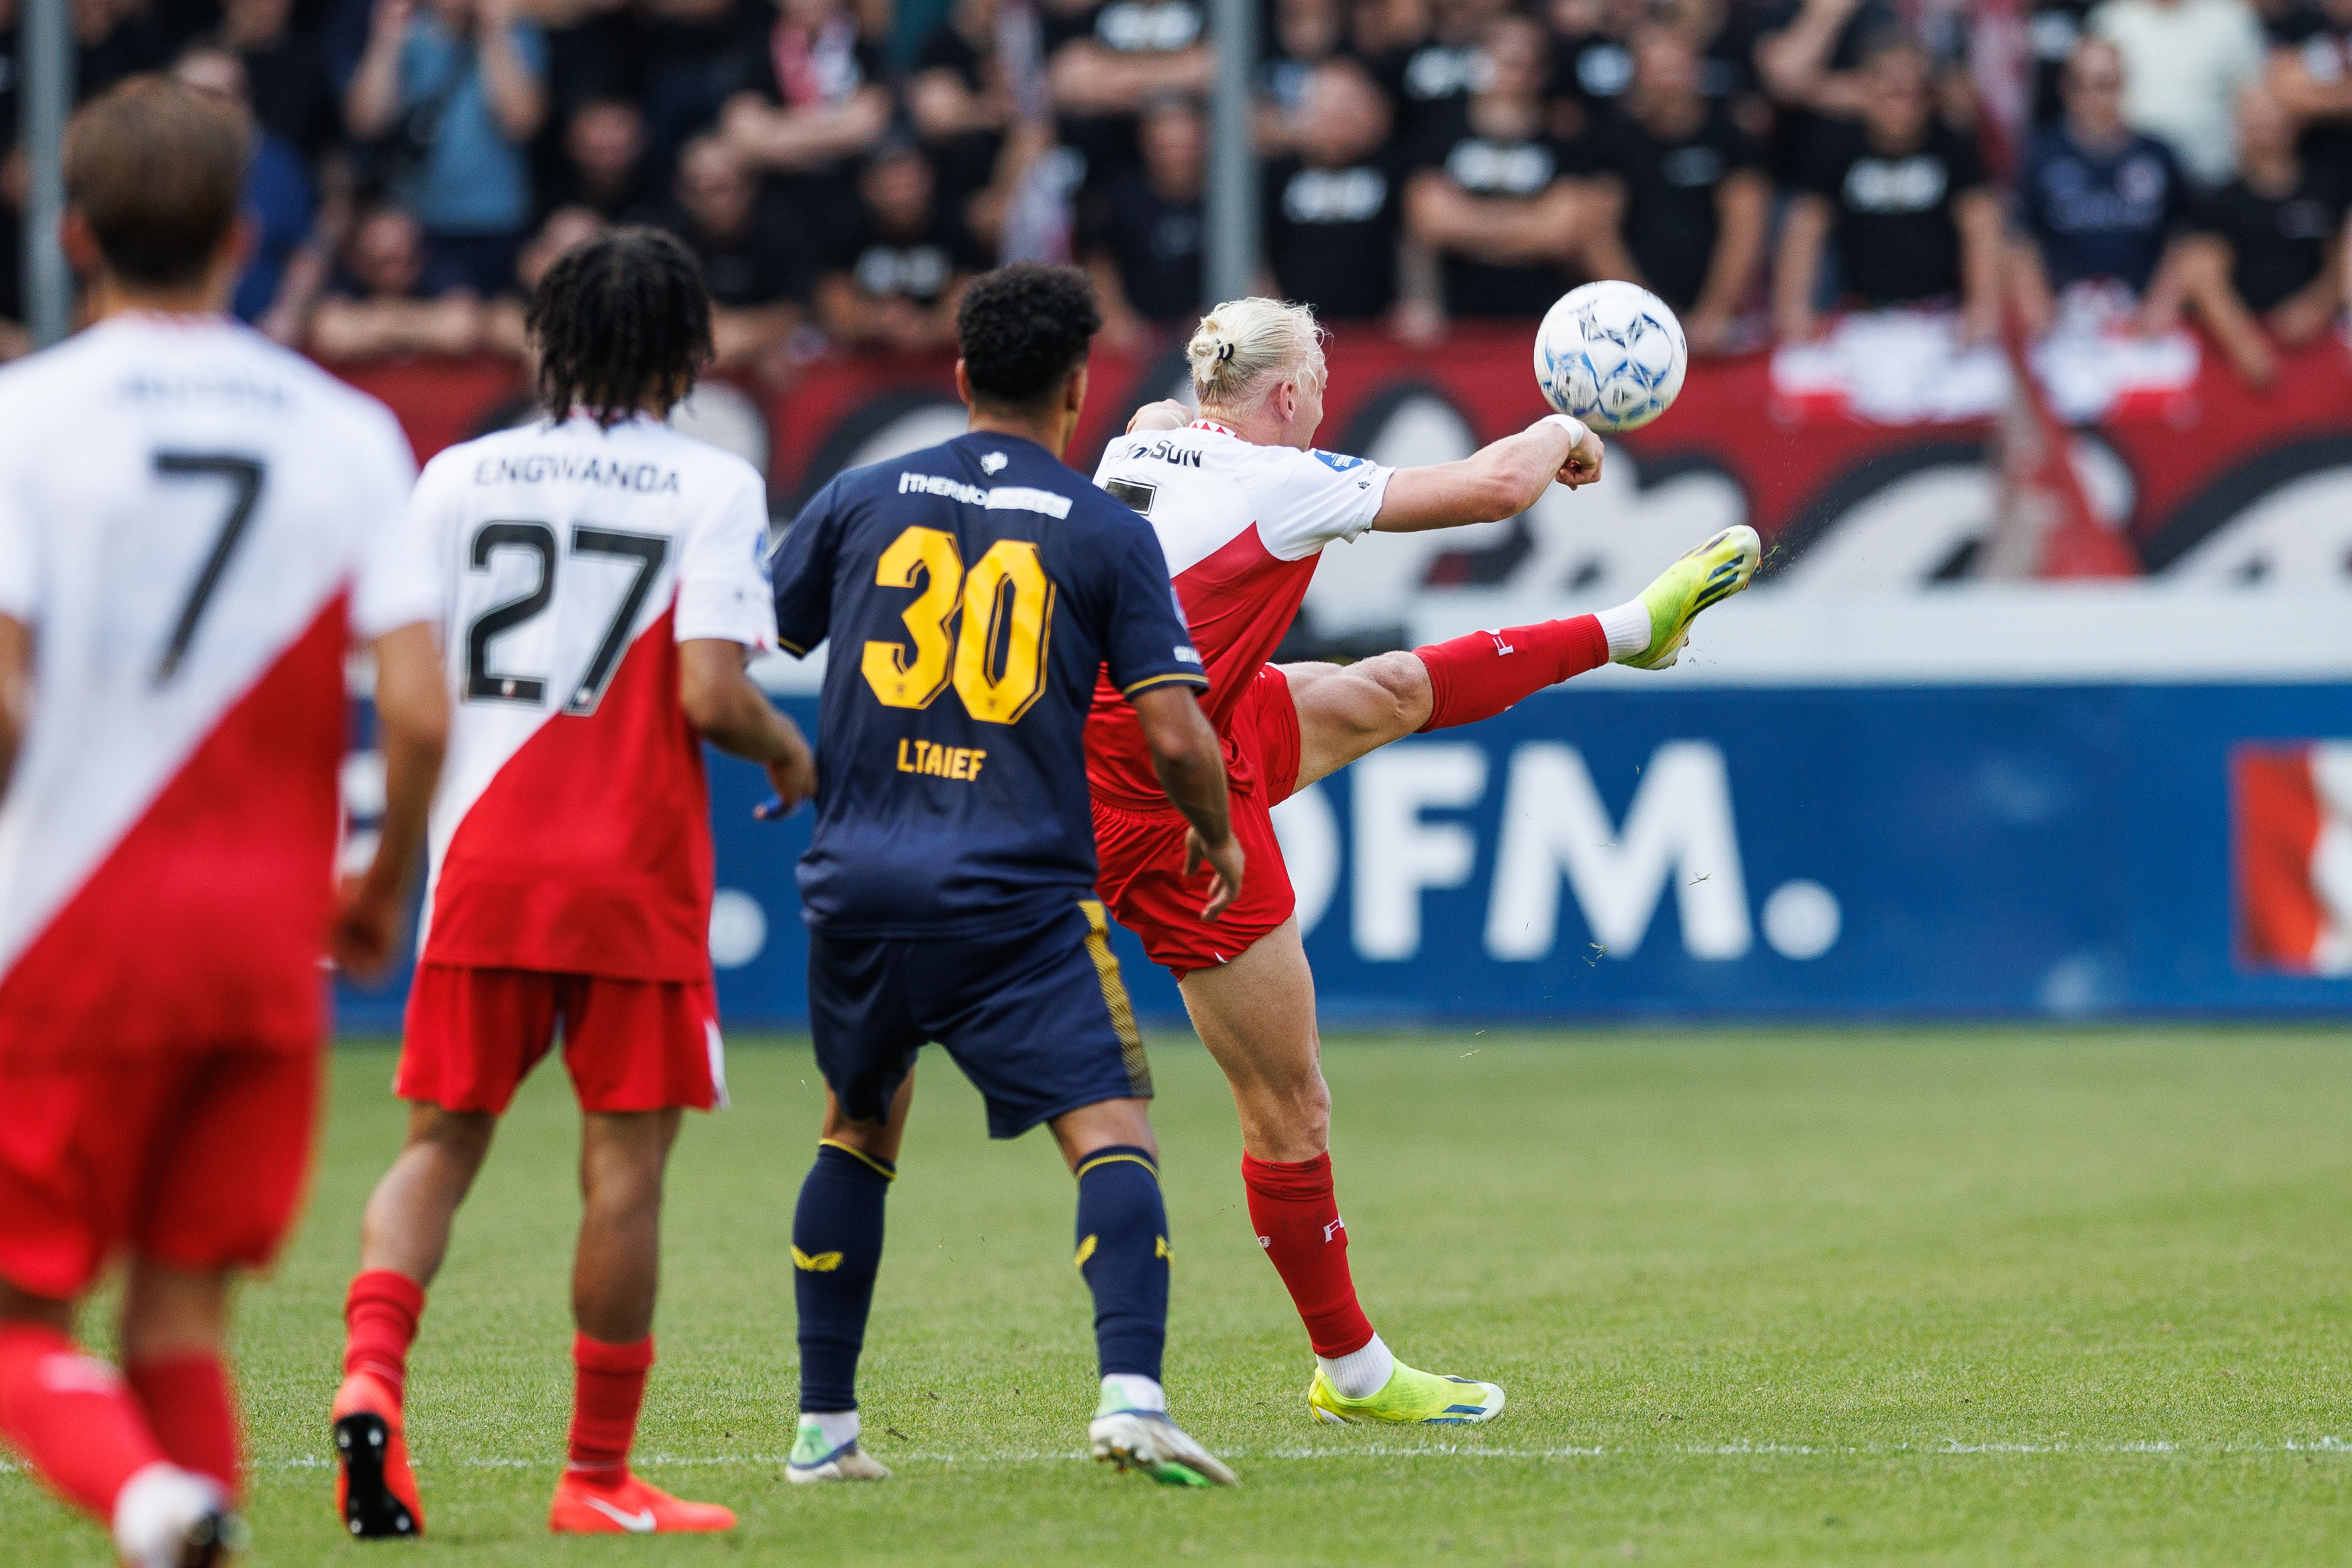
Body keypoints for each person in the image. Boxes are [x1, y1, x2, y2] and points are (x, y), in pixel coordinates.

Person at [1091, 297, 1758, 1424]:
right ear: (1289, 394)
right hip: (1162, 789)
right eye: (1318, 382)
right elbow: (1496, 490)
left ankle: (1628, 631)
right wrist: (1567, 425)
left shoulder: (1138, 441)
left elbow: (1174, 414)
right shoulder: (1277, 478)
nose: (1322, 406)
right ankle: (1350, 1370)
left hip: (1176, 713)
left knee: (1385, 688)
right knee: (1289, 1103)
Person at [0, 77, 446, 1567]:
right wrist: (380, 888)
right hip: (264, 944)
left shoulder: (26, 419)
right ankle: (183, 1511)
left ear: (73, 237)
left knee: (18, 1317)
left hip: (66, 928)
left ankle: (151, 1501)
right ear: (244, 239)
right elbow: (421, 711)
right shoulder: (347, 429)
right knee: (179, 1310)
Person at [329, 227, 817, 1539]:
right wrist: (789, 750)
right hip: (627, 871)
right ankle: (596, 1474)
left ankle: (371, 1374)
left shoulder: (455, 476)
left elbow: (403, 675)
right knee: (624, 1166)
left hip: (482, 855)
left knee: (439, 1141)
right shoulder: (709, 485)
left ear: (550, 341)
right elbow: (714, 692)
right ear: (686, 352)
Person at [764, 264, 1244, 1488]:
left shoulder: (863, 493)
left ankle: (825, 1431)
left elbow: (776, 624)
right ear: (1080, 390)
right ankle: (1131, 1396)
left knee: (856, 1130)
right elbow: (1177, 731)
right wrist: (1218, 832)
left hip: (860, 878)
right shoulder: (1101, 527)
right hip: (1013, 891)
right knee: (1111, 1132)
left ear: (962, 373)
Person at [1774, 37, 2003, 344]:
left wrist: (1982, 308)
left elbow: (1981, 226)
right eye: (1889, 88)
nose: (1900, 100)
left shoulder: (1952, 145)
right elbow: (1805, 230)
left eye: (1912, 90)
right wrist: (1793, 308)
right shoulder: (1836, 147)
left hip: (1941, 316)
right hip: (1861, 316)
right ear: (1865, 88)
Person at [1583, 20, 1771, 352]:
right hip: (1632, 320)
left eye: (1675, 67)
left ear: (1695, 69)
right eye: (1656, 68)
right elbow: (1599, 235)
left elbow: (1745, 228)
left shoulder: (1726, 135)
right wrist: (1653, 317)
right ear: (1637, 73)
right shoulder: (1615, 139)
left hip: (1719, 319)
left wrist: (1713, 313)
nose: (1667, 82)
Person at [343, 0, 551, 297]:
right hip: (416, 227)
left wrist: (495, 33)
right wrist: (385, 41)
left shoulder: (519, 34)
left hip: (500, 221)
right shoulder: (405, 32)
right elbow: (365, 123)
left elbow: (522, 122)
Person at [2150, 84, 2347, 384]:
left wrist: (2318, 305)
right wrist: (2244, 344)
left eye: (2271, 116)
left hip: (2324, 335)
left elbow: (2343, 253)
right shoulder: (2220, 200)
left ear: (2293, 123)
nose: (2263, 127)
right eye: (2253, 119)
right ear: (2238, 128)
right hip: (2249, 341)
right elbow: (2200, 273)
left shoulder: (2329, 186)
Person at [1402, 11, 1585, 322]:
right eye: (1502, 57)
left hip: (1542, 316)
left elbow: (1560, 232)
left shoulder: (1561, 136)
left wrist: (1468, 222)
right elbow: (1429, 220)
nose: (1512, 70)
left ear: (1541, 71)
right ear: (1478, 61)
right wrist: (1524, 223)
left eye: (1523, 61)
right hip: (1454, 315)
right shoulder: (1444, 128)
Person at [2008, 37, 2193, 335]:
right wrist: (2038, 308)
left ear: (2124, 84)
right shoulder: (2041, 154)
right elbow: (2020, 239)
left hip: (2141, 311)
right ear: (2066, 89)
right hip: (2065, 314)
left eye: (2107, 83)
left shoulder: (2158, 154)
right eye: (2083, 85)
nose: (2095, 96)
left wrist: (2161, 304)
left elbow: (2184, 239)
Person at [1263, 58, 1410, 325]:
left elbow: (1414, 247)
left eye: (1350, 105)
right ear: (1302, 112)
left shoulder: (1396, 172)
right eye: (1327, 106)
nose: (1338, 117)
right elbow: (1256, 256)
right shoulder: (1273, 177)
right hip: (1292, 338)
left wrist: (1416, 301)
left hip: (1381, 337)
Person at [819, 139, 991, 353]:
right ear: (868, 187)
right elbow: (833, 301)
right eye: (890, 185)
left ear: (929, 178)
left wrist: (930, 327)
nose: (902, 196)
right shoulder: (847, 227)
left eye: (909, 182)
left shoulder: (954, 224)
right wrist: (874, 320)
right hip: (868, 356)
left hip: (943, 356)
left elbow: (970, 295)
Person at [2086, 0, 2267, 187]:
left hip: (2213, 180)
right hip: (2130, 183)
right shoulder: (2111, 20)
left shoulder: (2231, 19)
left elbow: (2255, 100)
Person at [1080, 94, 1207, 344]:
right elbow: (1098, 263)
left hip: (1211, 336)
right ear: (1145, 139)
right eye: (1164, 133)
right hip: (1138, 341)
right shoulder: (1122, 197)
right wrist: (1120, 321)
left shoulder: (1228, 200)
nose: (1175, 143)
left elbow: (1251, 271)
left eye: (1183, 130)